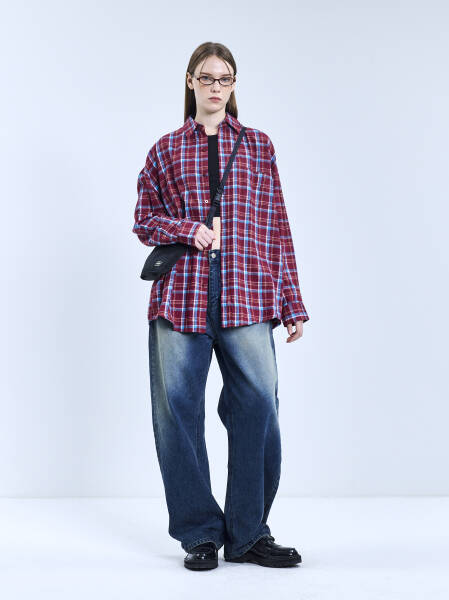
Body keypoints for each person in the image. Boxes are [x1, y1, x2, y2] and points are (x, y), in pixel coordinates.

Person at [132, 42, 309, 570]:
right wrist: (189, 230)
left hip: (247, 294)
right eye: (206, 77)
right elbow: (144, 219)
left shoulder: (257, 145)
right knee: (177, 416)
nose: (215, 87)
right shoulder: (165, 149)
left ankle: (249, 533)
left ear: (234, 85)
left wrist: (292, 302)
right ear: (190, 81)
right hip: (180, 297)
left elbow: (277, 227)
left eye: (225, 78)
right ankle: (199, 534)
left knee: (259, 408)